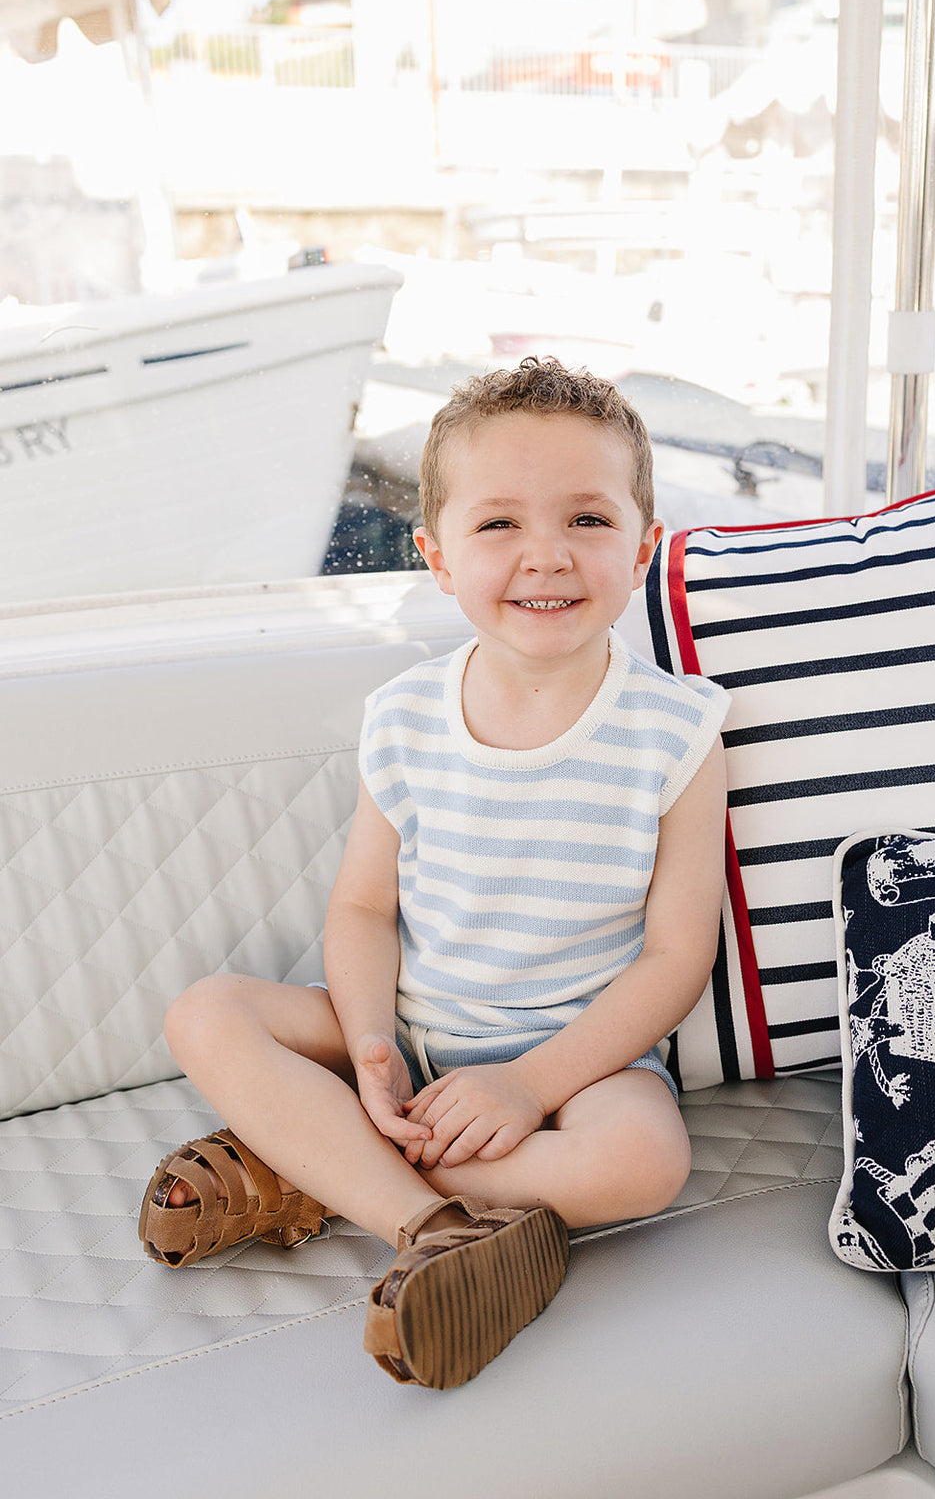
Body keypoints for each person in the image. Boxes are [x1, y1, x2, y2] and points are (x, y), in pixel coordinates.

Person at [139, 356, 730, 1390]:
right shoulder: (405, 716)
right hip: (413, 1028)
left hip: (581, 1062)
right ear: (437, 558)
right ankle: (426, 1223)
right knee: (207, 1010)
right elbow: (364, 907)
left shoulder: (678, 732)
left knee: (647, 1163)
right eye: (498, 525)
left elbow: (678, 957)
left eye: (586, 521)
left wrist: (532, 1079)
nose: (544, 555)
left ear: (641, 548)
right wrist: (369, 1045)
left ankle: (306, 1172)